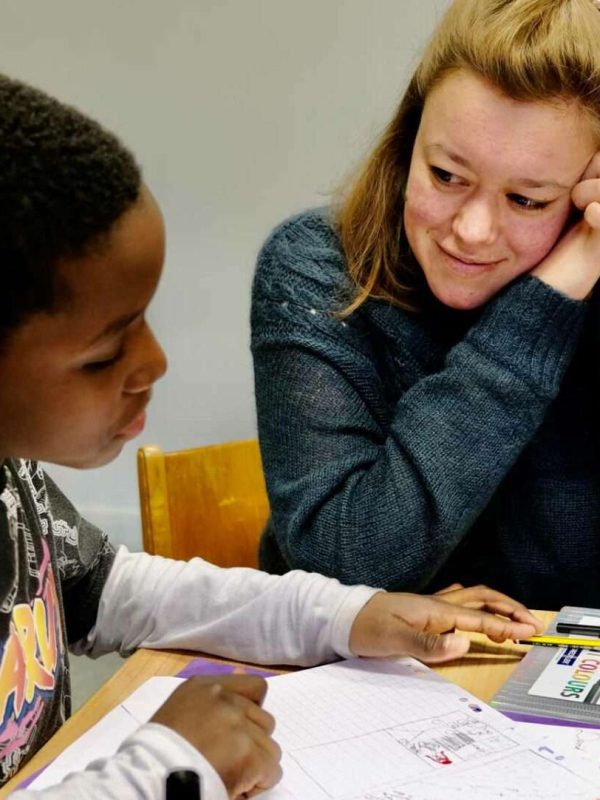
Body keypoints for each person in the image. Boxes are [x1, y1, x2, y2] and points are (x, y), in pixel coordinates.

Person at [0, 75, 540, 800]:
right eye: (104, 353)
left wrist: (355, 615)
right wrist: (165, 767)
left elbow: (116, 591)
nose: (155, 362)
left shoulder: (14, 478)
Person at [251, 0, 600, 611]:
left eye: (526, 200)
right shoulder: (318, 267)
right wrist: (543, 307)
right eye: (445, 175)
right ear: (408, 140)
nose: (471, 229)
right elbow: (349, 566)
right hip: (365, 686)